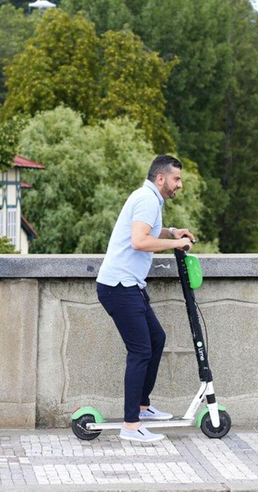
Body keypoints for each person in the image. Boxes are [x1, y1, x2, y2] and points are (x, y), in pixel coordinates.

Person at [96, 155, 195, 443]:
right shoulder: (147, 199)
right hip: (119, 287)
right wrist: (177, 243)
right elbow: (139, 241)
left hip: (129, 286)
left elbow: (147, 231)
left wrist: (172, 231)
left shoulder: (149, 199)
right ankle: (130, 426)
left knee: (156, 338)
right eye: (176, 179)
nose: (180, 184)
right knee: (140, 351)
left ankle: (142, 406)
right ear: (161, 178)